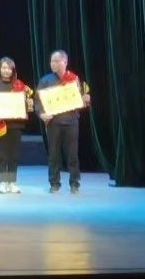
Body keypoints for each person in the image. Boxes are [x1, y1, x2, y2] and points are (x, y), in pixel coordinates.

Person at [37, 50, 92, 194]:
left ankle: (75, 183)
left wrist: (86, 100)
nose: (53, 64)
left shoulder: (74, 79)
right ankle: (54, 183)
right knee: (54, 154)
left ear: (65, 62)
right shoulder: (45, 80)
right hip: (53, 122)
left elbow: (80, 100)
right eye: (51, 61)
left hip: (71, 121)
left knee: (72, 154)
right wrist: (41, 114)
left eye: (56, 61)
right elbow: (37, 102)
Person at [0, 57, 34, 194]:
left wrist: (29, 104)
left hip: (16, 124)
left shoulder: (19, 85)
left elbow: (28, 106)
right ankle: (2, 183)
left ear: (13, 70)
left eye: (9, 68)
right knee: (1, 155)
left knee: (14, 155)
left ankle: (12, 182)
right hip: (0, 124)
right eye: (4, 67)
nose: (6, 70)